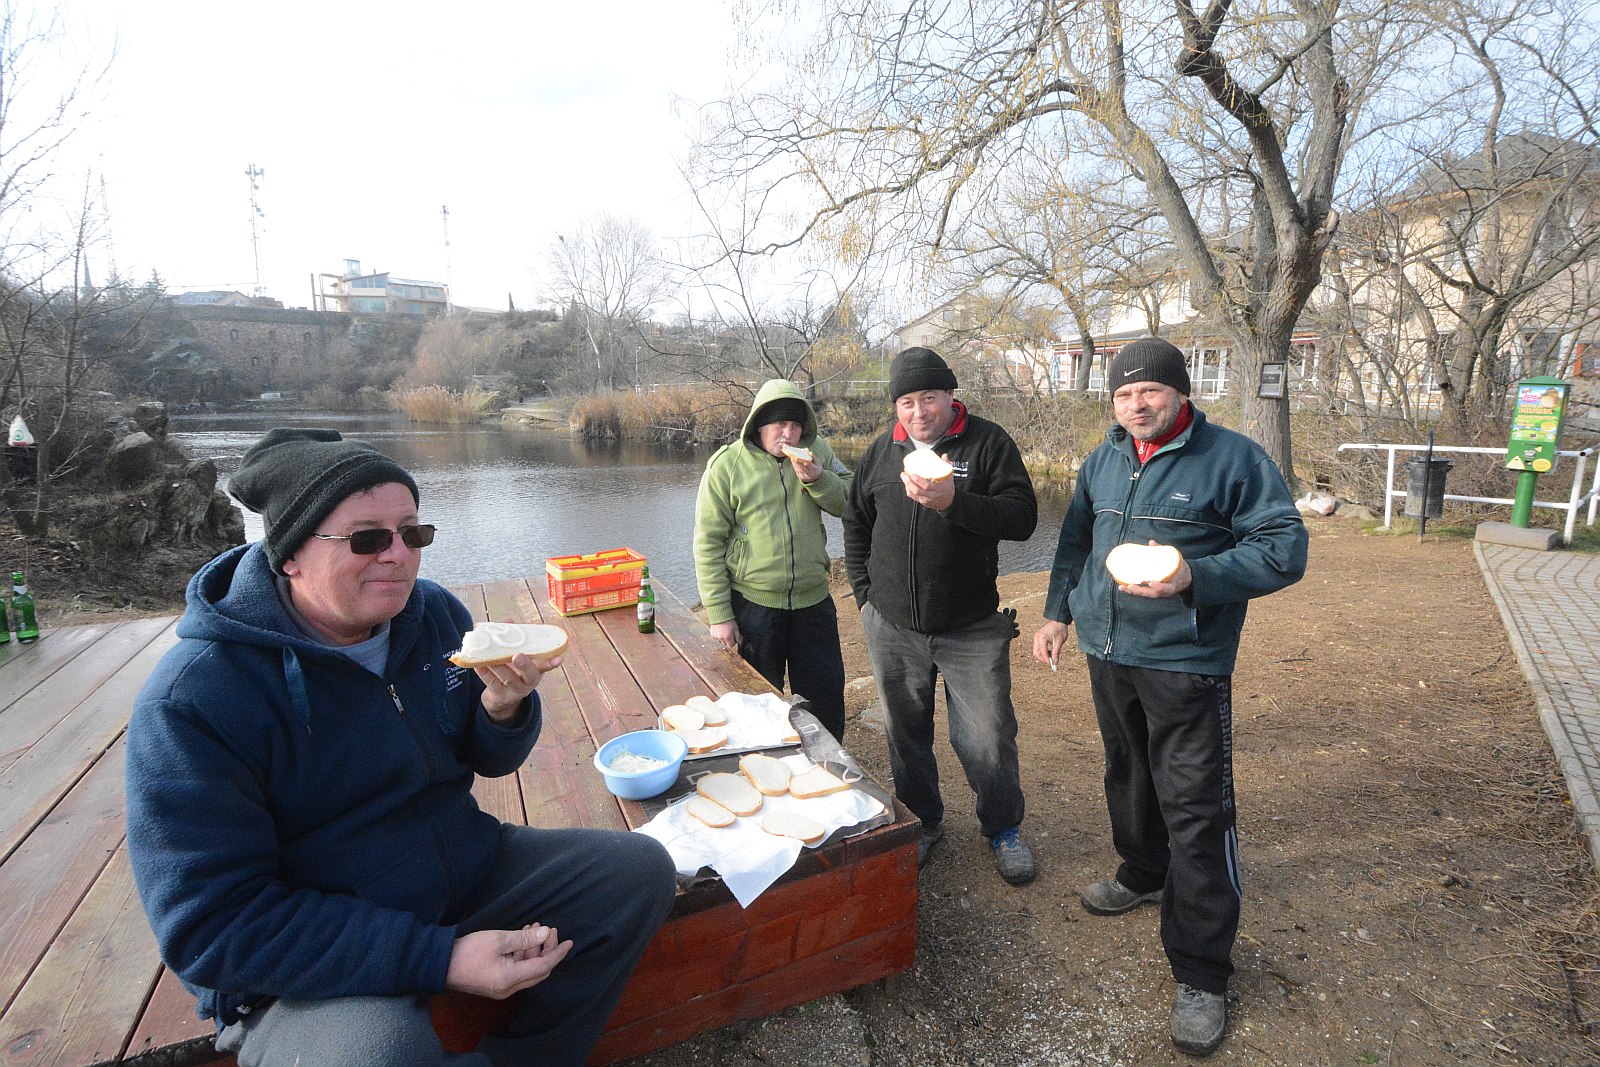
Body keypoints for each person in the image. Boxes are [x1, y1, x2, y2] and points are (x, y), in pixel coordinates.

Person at [125, 428, 678, 1067]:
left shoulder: (434, 616)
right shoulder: (196, 699)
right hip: (308, 950)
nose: (397, 555)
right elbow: (211, 928)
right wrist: (437, 958)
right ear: (290, 554)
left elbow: (489, 758)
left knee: (637, 873)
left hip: (460, 873)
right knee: (378, 1051)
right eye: (366, 538)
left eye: (412, 533)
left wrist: (502, 710)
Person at [1031, 337, 1308, 1057]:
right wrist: (1059, 612)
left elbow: (1285, 548)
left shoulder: (1234, 459)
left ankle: (1202, 971)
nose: (1136, 405)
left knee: (1196, 807)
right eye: (1123, 396)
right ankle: (1142, 871)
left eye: (1148, 391)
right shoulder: (1104, 458)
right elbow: (1074, 542)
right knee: (1127, 772)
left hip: (1187, 660)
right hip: (1108, 650)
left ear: (1180, 393)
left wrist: (1196, 575)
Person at [843, 347, 1039, 884]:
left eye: (929, 397)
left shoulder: (988, 442)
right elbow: (856, 521)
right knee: (904, 734)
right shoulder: (883, 452)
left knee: (987, 736)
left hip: (971, 626)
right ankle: (924, 824)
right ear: (896, 407)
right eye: (906, 401)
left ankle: (1003, 828)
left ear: (950, 396)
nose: (918, 410)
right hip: (892, 626)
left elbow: (1023, 518)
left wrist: (955, 501)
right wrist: (864, 594)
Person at [693, 380, 852, 740]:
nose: (789, 433)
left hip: (813, 602)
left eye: (796, 425)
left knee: (825, 698)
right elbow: (707, 543)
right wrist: (720, 615)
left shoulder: (818, 452)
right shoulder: (727, 465)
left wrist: (818, 479)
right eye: (780, 424)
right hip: (754, 604)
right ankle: (760, 765)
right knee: (755, 703)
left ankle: (826, 769)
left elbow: (851, 502)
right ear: (759, 425)